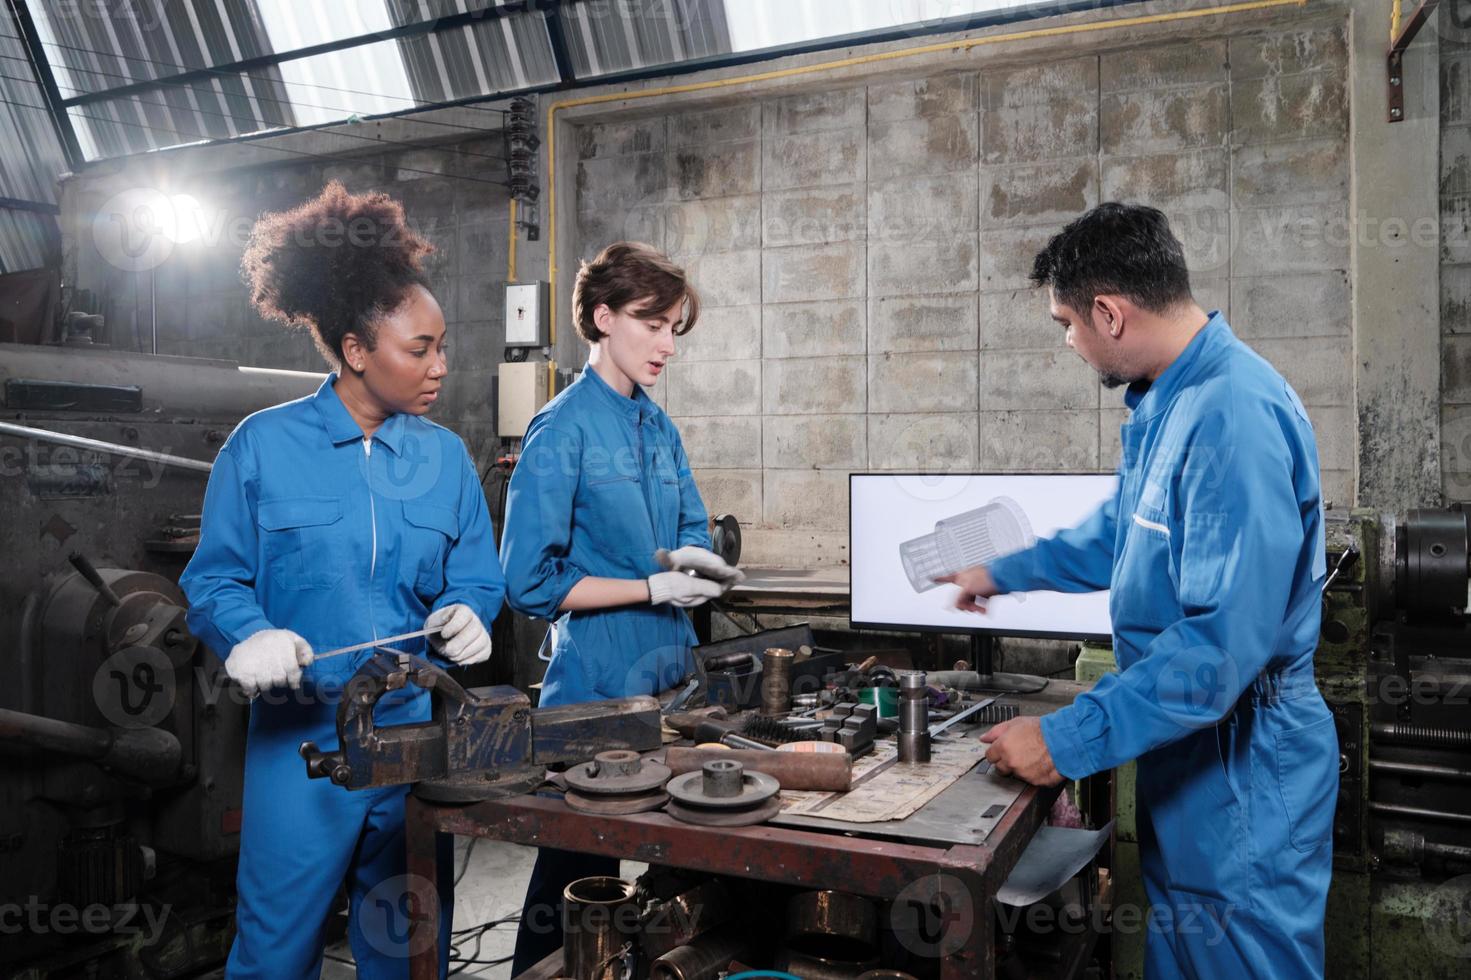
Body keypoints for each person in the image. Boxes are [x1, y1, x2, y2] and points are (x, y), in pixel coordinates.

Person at [940, 203, 1338, 978]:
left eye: (1066, 322)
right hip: (1193, 753)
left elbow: (1217, 651)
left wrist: (1063, 741)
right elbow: (1122, 534)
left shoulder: (1232, 416)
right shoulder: (1172, 401)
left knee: (1238, 957)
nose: (1066, 341)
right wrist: (1000, 572)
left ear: (1108, 312)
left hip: (1243, 760)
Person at [180, 182, 505, 979]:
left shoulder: (444, 458)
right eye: (419, 349)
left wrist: (469, 607)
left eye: (441, 346)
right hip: (299, 748)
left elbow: (475, 573)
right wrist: (245, 633)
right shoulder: (261, 447)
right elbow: (214, 578)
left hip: (410, 740)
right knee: (274, 954)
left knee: (406, 951)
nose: (440, 367)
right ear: (357, 350)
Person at [500, 241, 741, 972]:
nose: (667, 344)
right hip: (596, 690)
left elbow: (692, 526)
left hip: (670, 679)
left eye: (674, 328)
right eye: (652, 323)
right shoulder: (561, 429)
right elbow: (528, 581)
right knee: (577, 875)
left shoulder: (657, 427)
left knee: (678, 864)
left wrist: (693, 562)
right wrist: (647, 586)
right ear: (602, 318)